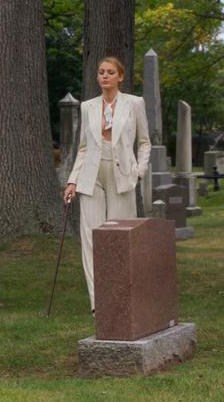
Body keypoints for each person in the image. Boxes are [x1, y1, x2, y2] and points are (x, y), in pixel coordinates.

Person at [63, 56, 150, 314]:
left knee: (120, 236)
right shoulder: (88, 106)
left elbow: (144, 141)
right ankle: (97, 302)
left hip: (122, 173)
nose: (105, 76)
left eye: (110, 72)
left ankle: (122, 295)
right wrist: (72, 180)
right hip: (92, 174)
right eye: (101, 72)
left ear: (120, 76)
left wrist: (140, 171)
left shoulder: (134, 104)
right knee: (91, 238)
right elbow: (83, 148)